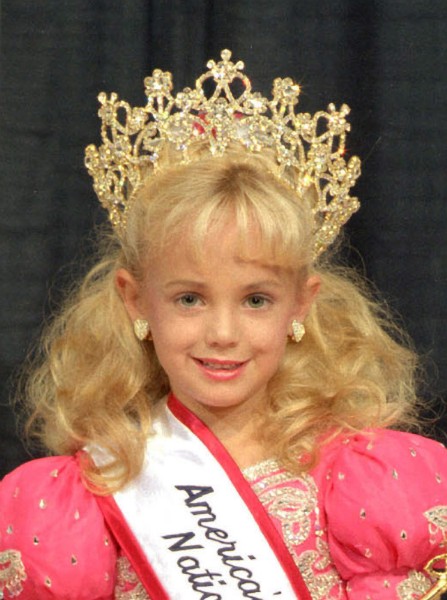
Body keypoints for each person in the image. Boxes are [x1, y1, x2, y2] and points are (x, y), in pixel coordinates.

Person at [0, 49, 446, 600]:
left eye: (256, 300)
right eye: (189, 299)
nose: (224, 333)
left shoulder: (362, 480)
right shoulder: (89, 492)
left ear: (301, 305)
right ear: (135, 300)